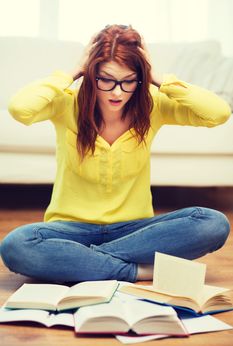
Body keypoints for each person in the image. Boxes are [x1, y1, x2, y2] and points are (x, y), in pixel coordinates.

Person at [0, 24, 231, 283]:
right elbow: (20, 108)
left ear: (139, 77)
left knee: (213, 223)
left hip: (134, 231)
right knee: (17, 245)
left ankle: (79, 261)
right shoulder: (66, 104)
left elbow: (218, 112)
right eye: (107, 79)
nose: (117, 91)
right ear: (91, 74)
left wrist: (158, 78)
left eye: (128, 80)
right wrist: (75, 70)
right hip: (69, 230)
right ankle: (135, 271)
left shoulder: (153, 106)